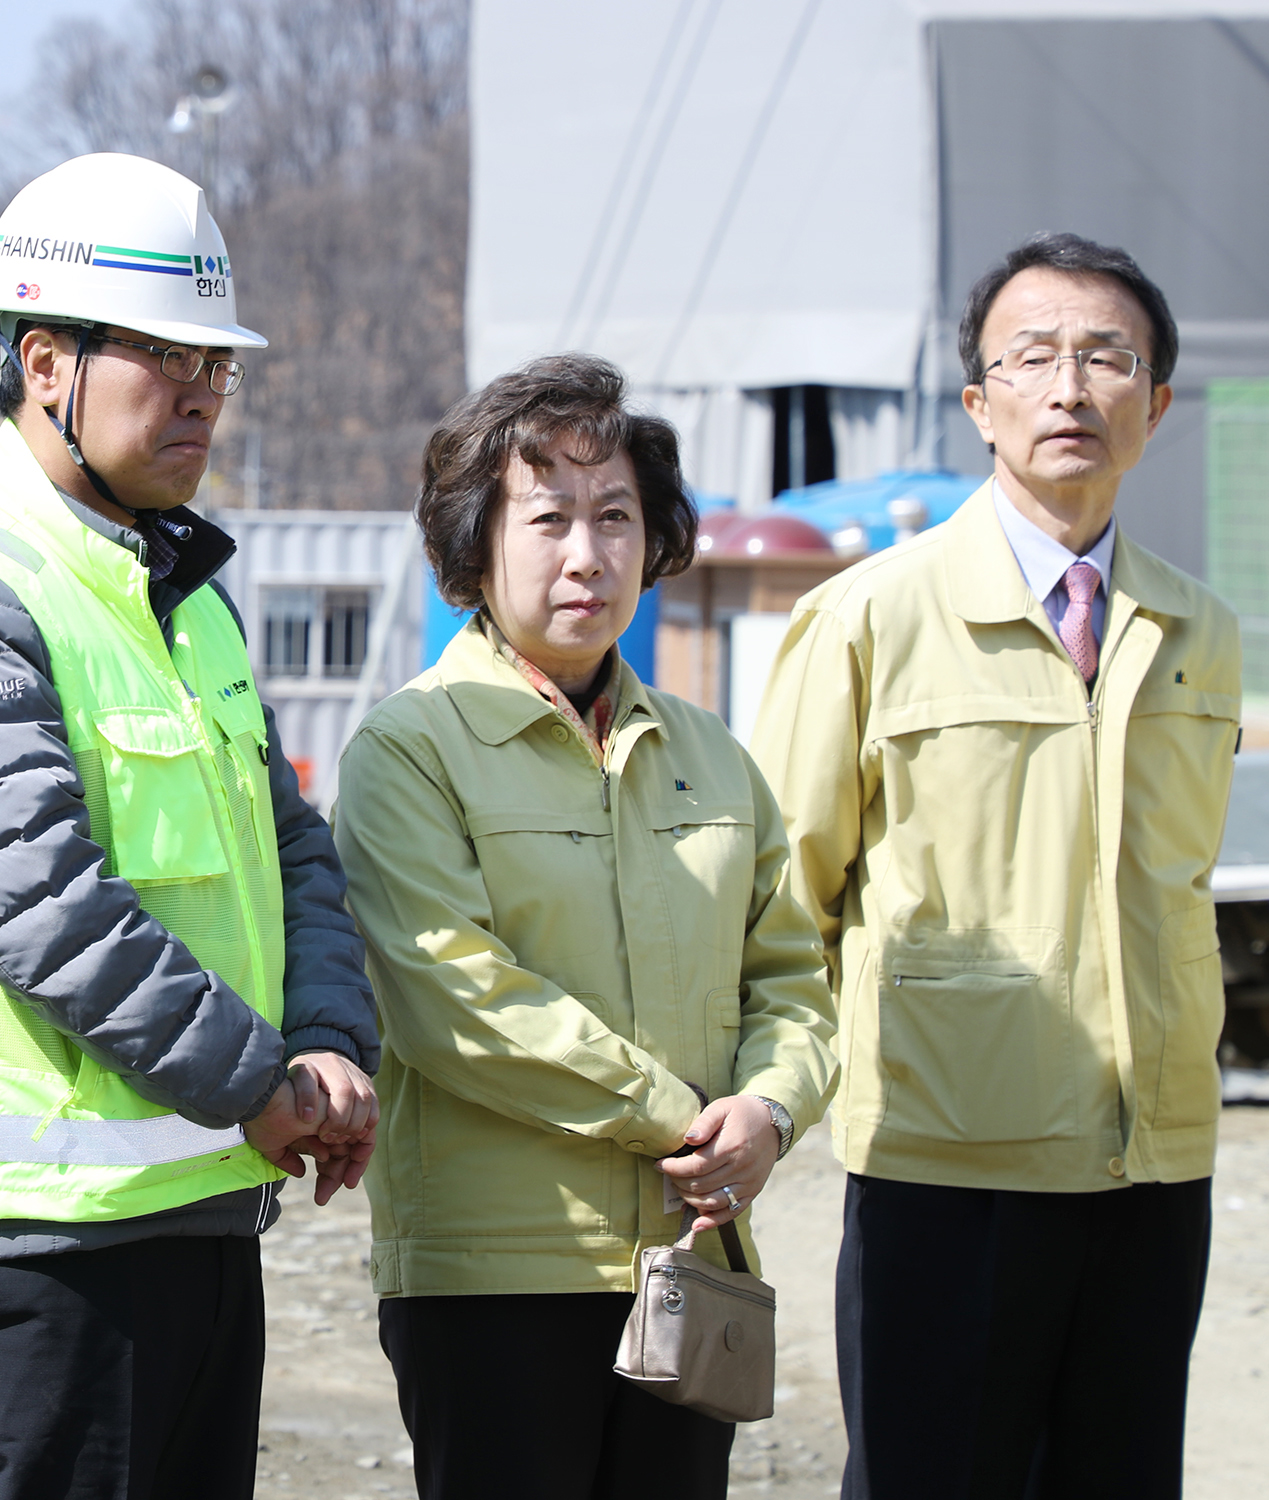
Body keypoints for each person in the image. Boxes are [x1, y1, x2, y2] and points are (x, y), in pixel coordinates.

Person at [0, 152, 380, 1500]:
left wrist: (327, 1039)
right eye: (160, 353)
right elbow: (39, 905)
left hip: (197, 1217)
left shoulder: (179, 597)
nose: (201, 389)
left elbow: (288, 848)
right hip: (23, 1263)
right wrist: (262, 1083)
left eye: (217, 361)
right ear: (44, 363)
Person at [752, 232, 1241, 1499]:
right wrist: (762, 1106)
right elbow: (776, 897)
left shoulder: (1200, 628)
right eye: (1033, 357)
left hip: (1154, 1164)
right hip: (946, 1166)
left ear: (1158, 403)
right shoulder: (869, 615)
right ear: (980, 403)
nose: (1070, 388)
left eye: (1107, 358)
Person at [333, 353, 839, 1500]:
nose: (588, 554)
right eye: (549, 517)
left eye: (616, 517)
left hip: (685, 1259)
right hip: (494, 1276)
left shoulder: (710, 753)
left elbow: (793, 979)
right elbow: (453, 997)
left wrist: (768, 1109)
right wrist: (683, 1120)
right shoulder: (412, 749)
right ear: (475, 545)